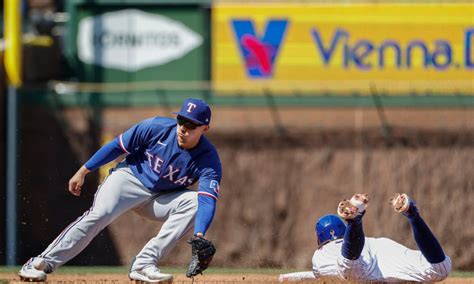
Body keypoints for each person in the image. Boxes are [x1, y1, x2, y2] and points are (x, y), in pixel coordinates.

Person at [19, 98, 222, 282]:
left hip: (161, 198)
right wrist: (84, 170)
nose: (183, 128)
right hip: (129, 179)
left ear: (205, 128)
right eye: (180, 120)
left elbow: (206, 200)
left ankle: (144, 264)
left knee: (194, 202)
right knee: (100, 215)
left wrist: (199, 235)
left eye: (191, 124)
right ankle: (40, 263)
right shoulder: (156, 127)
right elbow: (117, 146)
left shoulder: (208, 159)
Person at [279, 193, 452, 282]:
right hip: (380, 250)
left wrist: (284, 279)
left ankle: (355, 220)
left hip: (357, 266)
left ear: (320, 239)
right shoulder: (371, 242)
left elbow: (316, 276)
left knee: (349, 269)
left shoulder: (320, 255)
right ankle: (412, 214)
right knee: (441, 268)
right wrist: (286, 278)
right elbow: (312, 276)